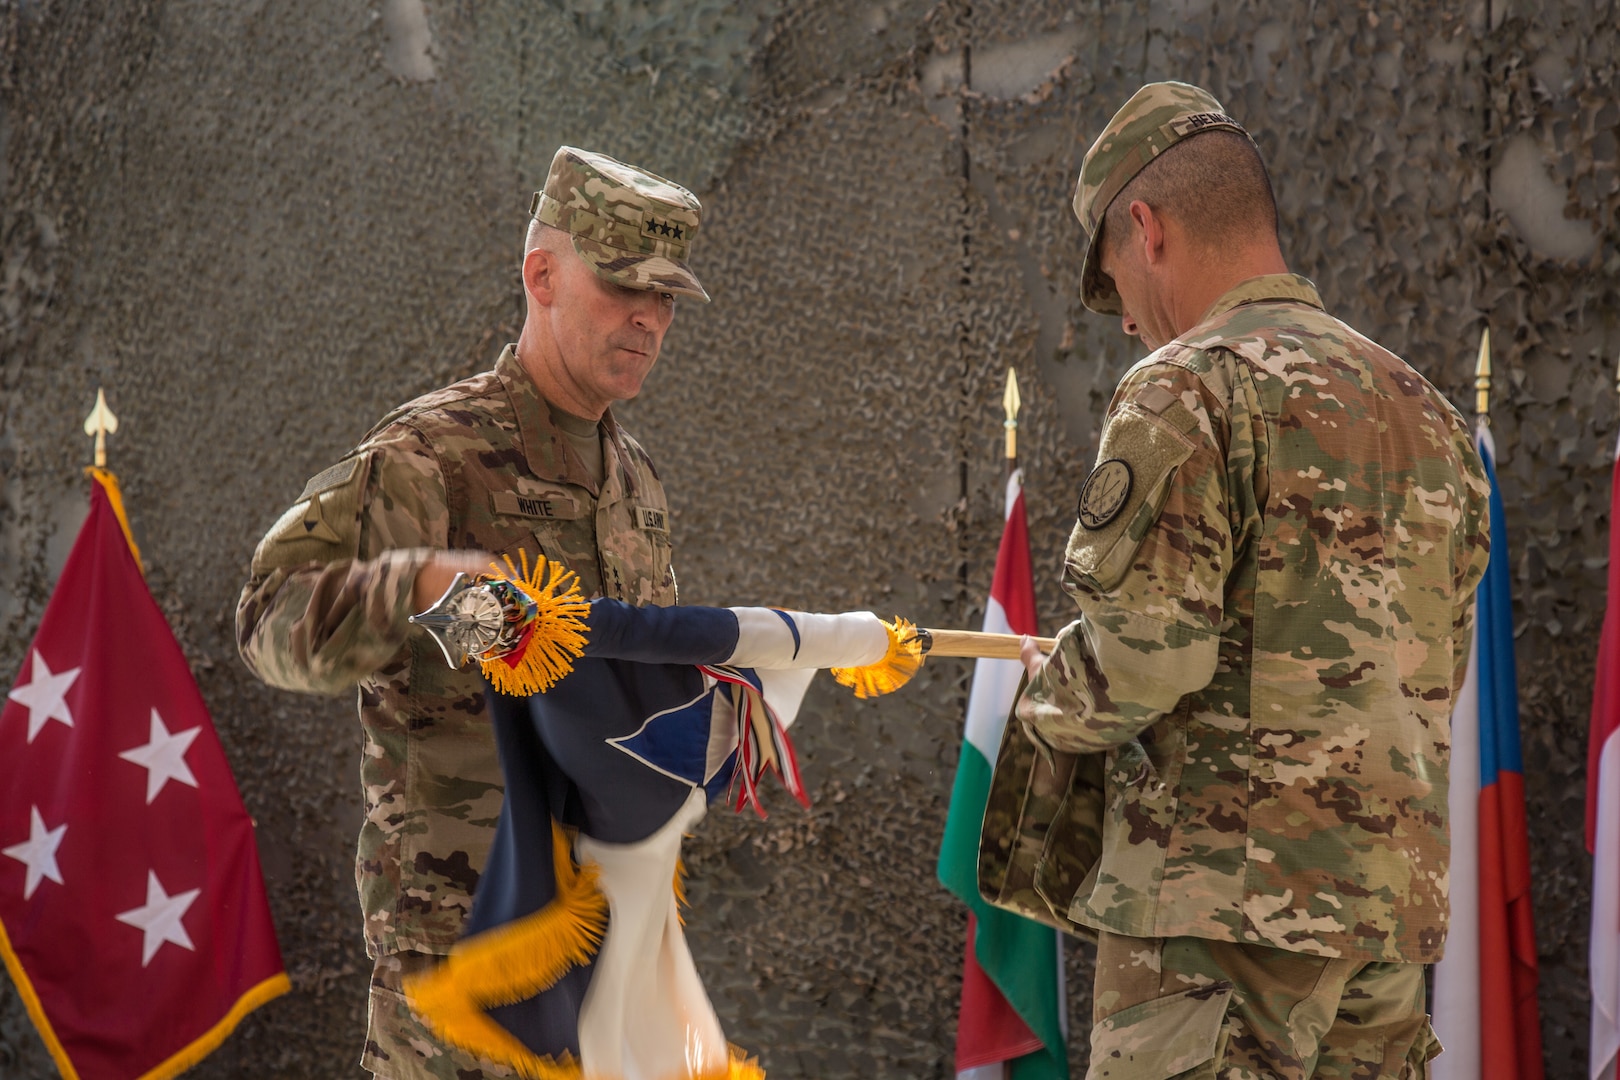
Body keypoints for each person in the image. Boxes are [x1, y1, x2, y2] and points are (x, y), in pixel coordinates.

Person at [982, 82, 1492, 1078]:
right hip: (1383, 921)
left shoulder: (1185, 382)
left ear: (1147, 227)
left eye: (1114, 277)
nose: (1127, 320)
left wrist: (1047, 703)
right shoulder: (1423, 409)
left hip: (1217, 924)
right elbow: (1437, 669)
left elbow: (1146, 652)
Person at [236, 146, 703, 1080]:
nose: (648, 318)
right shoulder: (431, 454)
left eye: (666, 300)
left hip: (605, 954)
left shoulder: (636, 480)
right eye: (622, 288)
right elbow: (266, 622)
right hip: (464, 965)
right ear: (542, 275)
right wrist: (409, 585)